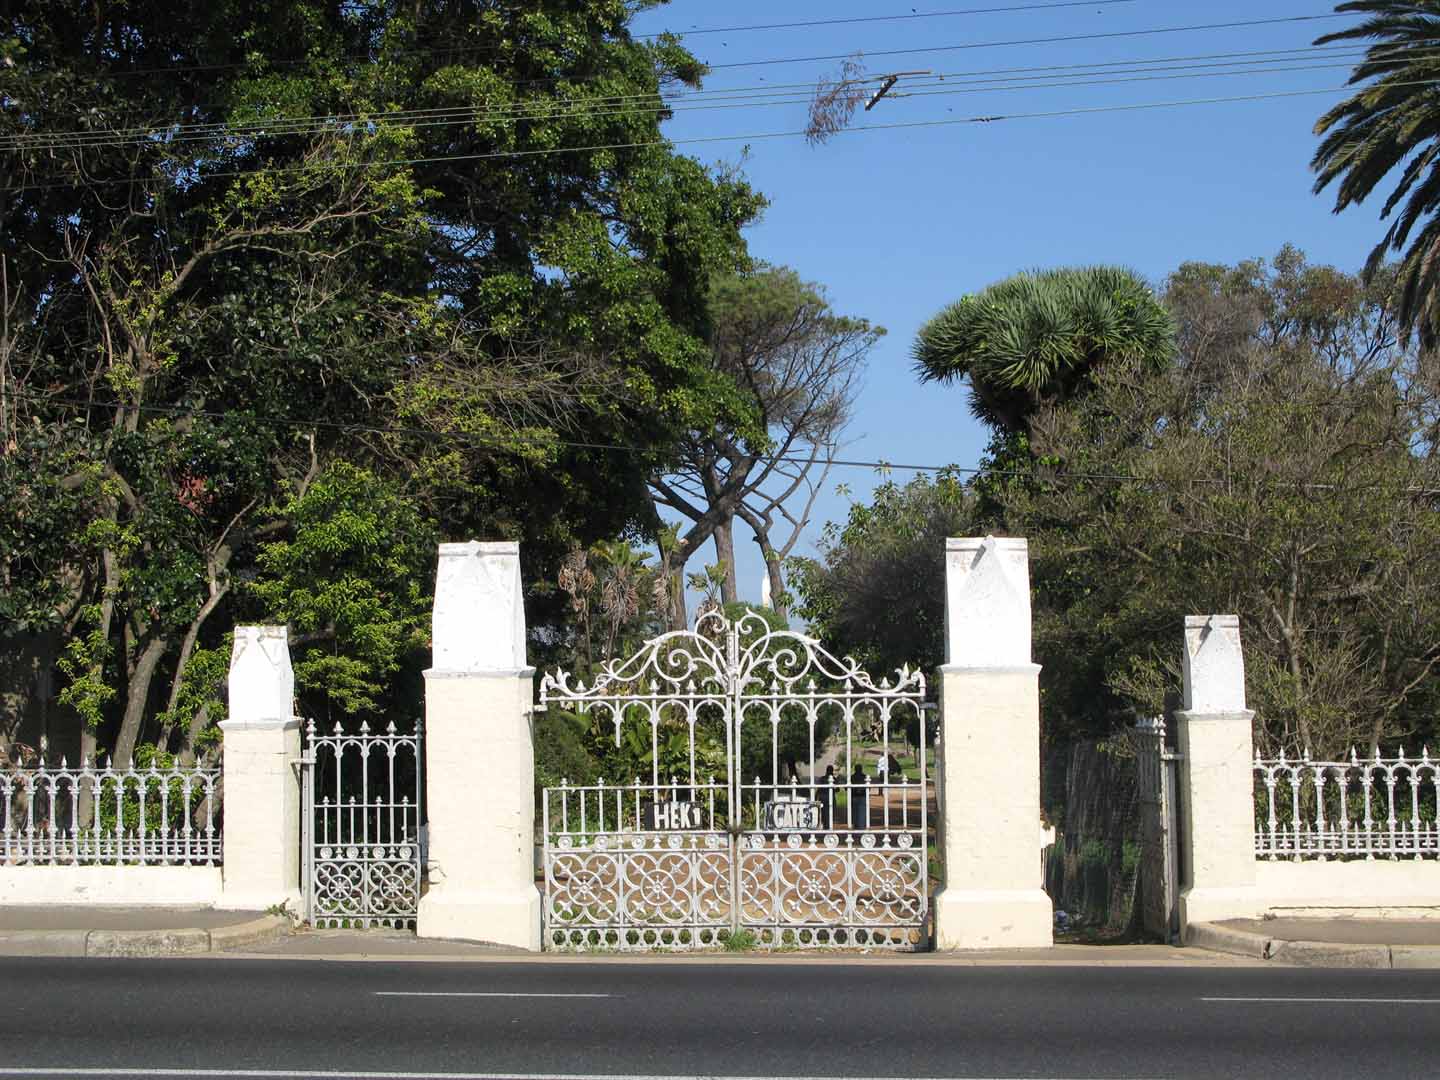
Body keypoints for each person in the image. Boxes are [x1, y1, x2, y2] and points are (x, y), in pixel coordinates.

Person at [849, 763, 869, 830]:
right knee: (861, 812)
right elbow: (868, 788)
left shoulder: (852, 777)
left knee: (854, 812)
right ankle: (861, 826)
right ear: (861, 769)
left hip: (854, 796)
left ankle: (856, 825)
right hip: (862, 796)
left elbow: (847, 788)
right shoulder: (864, 777)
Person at [821, 765, 837, 830]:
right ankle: (828, 826)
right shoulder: (834, 779)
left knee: (824, 812)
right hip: (830, 797)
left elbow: (819, 789)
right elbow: (837, 789)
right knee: (831, 812)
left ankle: (826, 826)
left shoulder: (822, 778)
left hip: (823, 797)